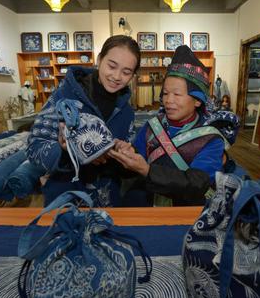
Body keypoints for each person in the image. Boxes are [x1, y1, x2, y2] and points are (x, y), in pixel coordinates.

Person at [27, 35, 140, 206]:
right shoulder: (63, 97)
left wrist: (125, 153)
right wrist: (69, 152)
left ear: (132, 75)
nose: (117, 76)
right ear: (100, 59)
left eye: (126, 72)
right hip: (64, 203)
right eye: (112, 66)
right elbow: (34, 150)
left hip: (108, 206)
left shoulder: (126, 112)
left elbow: (126, 165)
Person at [109, 45, 227, 206]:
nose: (168, 100)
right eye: (165, 93)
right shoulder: (152, 126)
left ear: (198, 100)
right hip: (148, 204)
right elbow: (137, 163)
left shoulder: (210, 139)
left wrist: (148, 171)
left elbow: (198, 183)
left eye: (177, 94)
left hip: (188, 212)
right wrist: (128, 153)